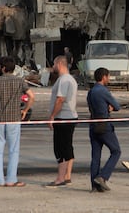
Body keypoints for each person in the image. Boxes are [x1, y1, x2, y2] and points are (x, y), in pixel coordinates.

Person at [0, 56, 34, 187]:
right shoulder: (19, 81)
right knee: (13, 150)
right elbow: (31, 96)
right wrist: (25, 110)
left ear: (3, 68)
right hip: (14, 119)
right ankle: (11, 179)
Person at [87, 67, 121, 192]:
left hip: (93, 124)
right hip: (104, 125)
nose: (109, 79)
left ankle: (94, 186)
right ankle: (103, 177)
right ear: (104, 77)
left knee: (96, 156)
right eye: (108, 76)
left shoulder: (91, 92)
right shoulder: (103, 91)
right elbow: (117, 106)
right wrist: (110, 108)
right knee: (116, 151)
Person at [46, 55, 78, 188]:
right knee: (67, 147)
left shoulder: (64, 80)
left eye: (54, 64)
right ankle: (67, 176)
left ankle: (60, 178)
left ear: (59, 64)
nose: (53, 67)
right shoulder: (70, 79)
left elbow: (60, 99)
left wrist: (52, 116)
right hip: (70, 117)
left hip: (63, 118)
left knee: (60, 149)